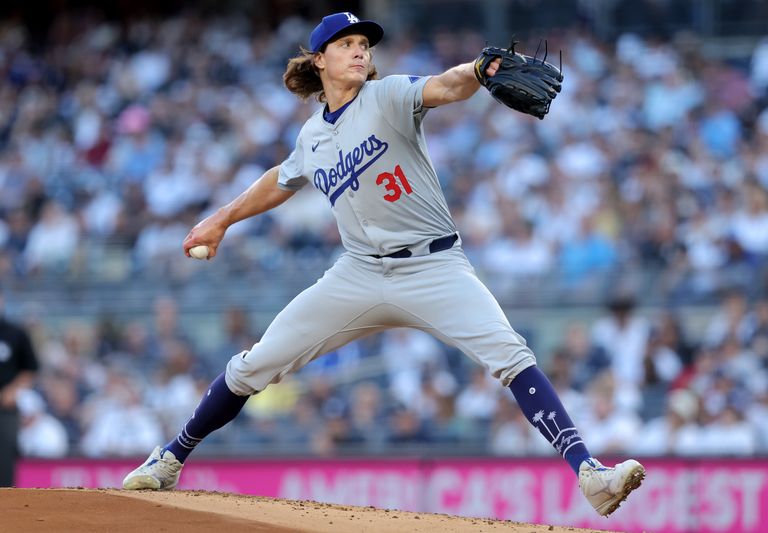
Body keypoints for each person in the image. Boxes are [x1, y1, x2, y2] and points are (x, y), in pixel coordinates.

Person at [122, 12, 645, 516]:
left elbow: (445, 86)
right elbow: (279, 180)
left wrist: (478, 71)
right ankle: (171, 457)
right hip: (359, 272)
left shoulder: (387, 95)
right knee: (256, 363)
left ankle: (589, 472)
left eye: (364, 45)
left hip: (435, 266)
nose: (359, 50)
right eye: (347, 44)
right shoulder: (312, 137)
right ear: (320, 60)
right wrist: (221, 219)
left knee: (511, 355)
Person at [0, 289, 39, 486]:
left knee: (4, 458)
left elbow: (30, 369)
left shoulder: (16, 334)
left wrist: (12, 390)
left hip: (5, 409)